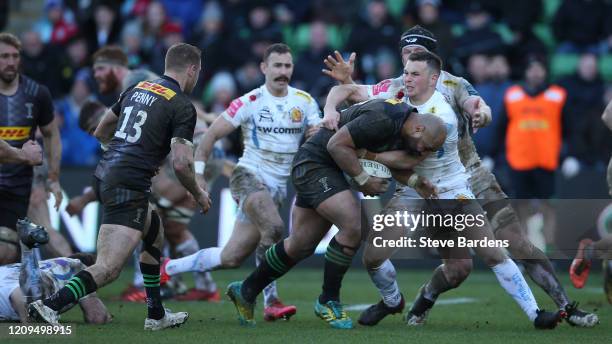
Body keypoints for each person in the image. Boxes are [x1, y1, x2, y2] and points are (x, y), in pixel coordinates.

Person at [322, 25, 597, 327]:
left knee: (514, 244)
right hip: (419, 183)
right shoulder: (395, 86)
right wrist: (342, 90)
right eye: (406, 54)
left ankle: (565, 309)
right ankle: (416, 300)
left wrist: (482, 114)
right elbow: (361, 100)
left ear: (431, 59)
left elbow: (479, 106)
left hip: (469, 177)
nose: (410, 59)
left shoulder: (453, 85)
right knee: (456, 267)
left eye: (417, 54)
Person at [226, 91, 447, 329]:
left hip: (326, 167)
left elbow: (380, 160)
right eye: (426, 148)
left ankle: (246, 290)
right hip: (315, 164)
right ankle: (328, 300)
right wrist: (363, 179)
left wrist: (416, 182)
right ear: (419, 130)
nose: (423, 154)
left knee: (300, 245)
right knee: (354, 225)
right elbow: (336, 145)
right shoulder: (383, 119)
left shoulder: (402, 126)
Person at [29, 43, 210, 331]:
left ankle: (156, 313)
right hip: (129, 183)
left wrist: (120, 153)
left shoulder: (138, 88)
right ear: (192, 69)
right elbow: (180, 163)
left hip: (107, 174)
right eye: (199, 71)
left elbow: (101, 130)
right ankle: (49, 305)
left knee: (154, 231)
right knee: (109, 268)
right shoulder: (181, 105)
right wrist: (198, 192)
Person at [163, 43, 320, 320]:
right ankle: (271, 302)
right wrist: (198, 174)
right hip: (248, 176)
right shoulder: (250, 102)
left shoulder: (305, 102)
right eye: (277, 66)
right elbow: (209, 137)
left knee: (231, 257)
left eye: (287, 66)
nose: (283, 71)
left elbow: (316, 133)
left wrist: (319, 129)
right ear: (264, 68)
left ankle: (168, 268)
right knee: (273, 228)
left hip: (278, 187)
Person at [73, 46, 219, 302]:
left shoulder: (136, 82)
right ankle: (181, 286)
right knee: (167, 225)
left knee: (151, 216)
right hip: (183, 150)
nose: (95, 76)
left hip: (191, 151)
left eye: (99, 69)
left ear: (116, 68)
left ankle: (152, 284)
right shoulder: (143, 85)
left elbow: (174, 102)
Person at [0, 32, 62, 265]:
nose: (11, 62)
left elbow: (52, 134)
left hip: (19, 187)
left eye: (15, 56)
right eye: (4, 56)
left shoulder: (36, 93)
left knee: (8, 250)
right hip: (18, 171)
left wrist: (53, 177)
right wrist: (23, 156)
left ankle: (84, 282)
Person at [0, 219, 110, 323]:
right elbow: (97, 317)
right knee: (33, 297)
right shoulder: (81, 270)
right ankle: (28, 248)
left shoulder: (49, 265)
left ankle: (28, 249)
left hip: (10, 281)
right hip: (20, 295)